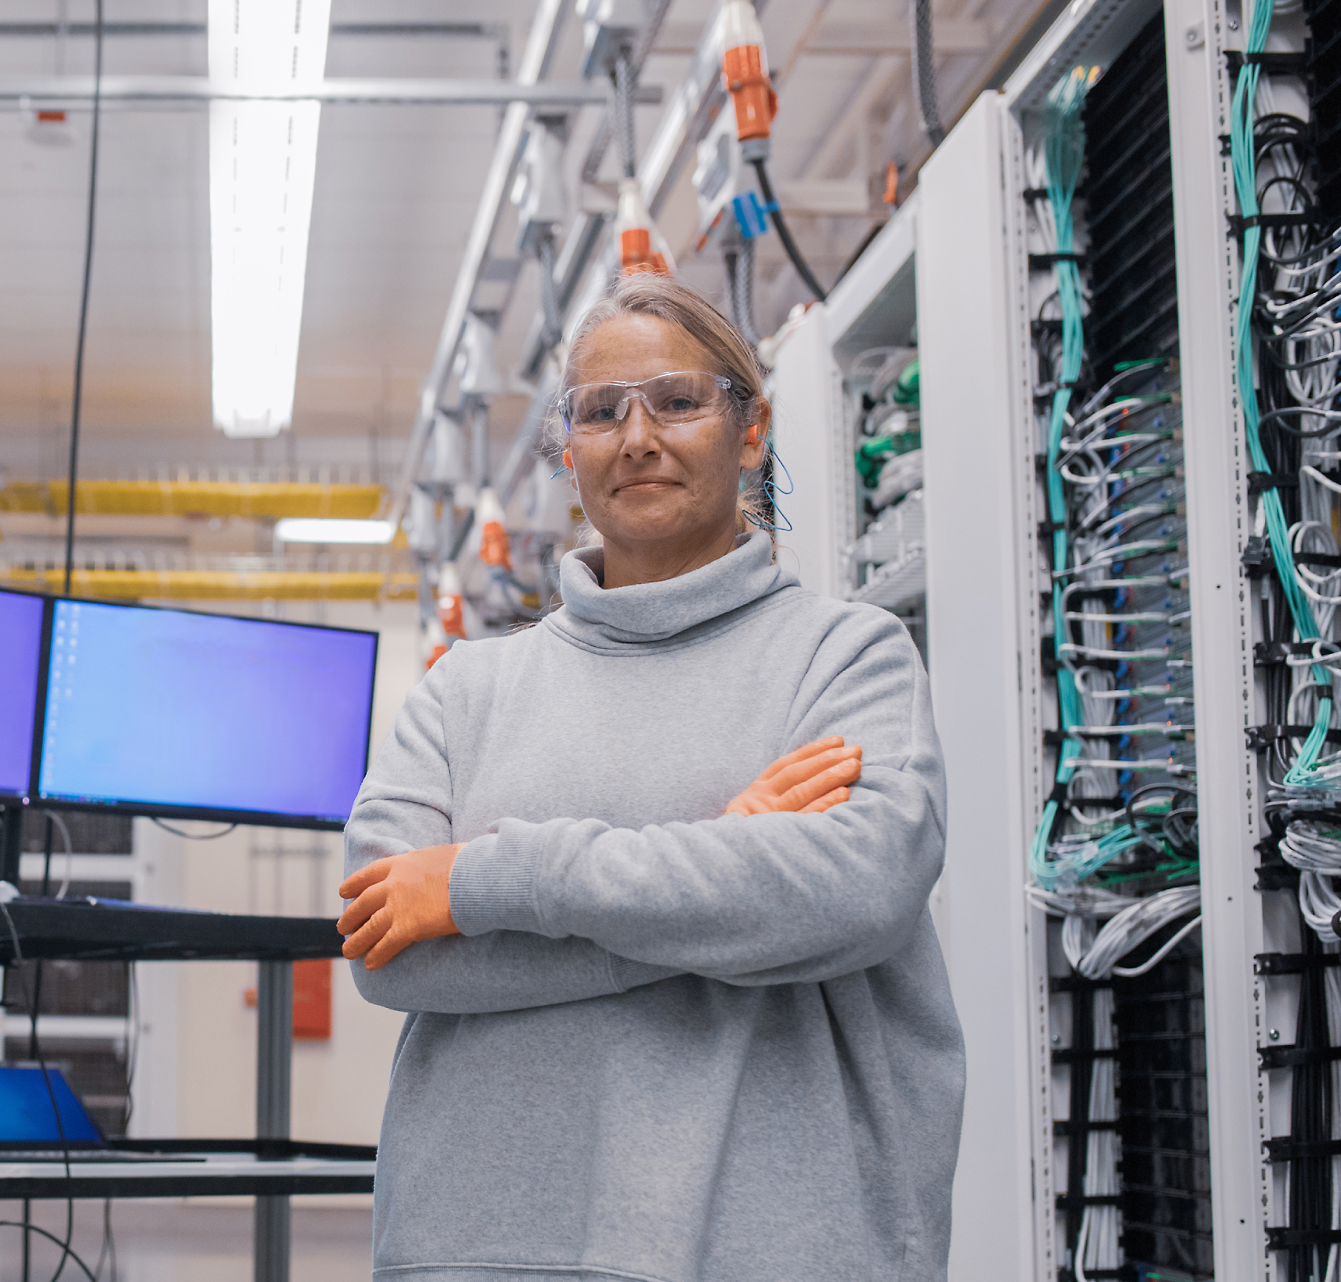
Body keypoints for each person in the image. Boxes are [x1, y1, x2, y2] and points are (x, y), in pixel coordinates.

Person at [337, 274, 962, 1281]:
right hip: (481, 1249)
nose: (635, 436)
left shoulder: (847, 658)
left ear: (747, 429)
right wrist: (726, 866)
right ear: (567, 450)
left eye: (674, 399)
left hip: (776, 1248)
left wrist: (486, 883)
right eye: (599, 411)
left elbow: (857, 891)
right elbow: (386, 949)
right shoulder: (466, 693)